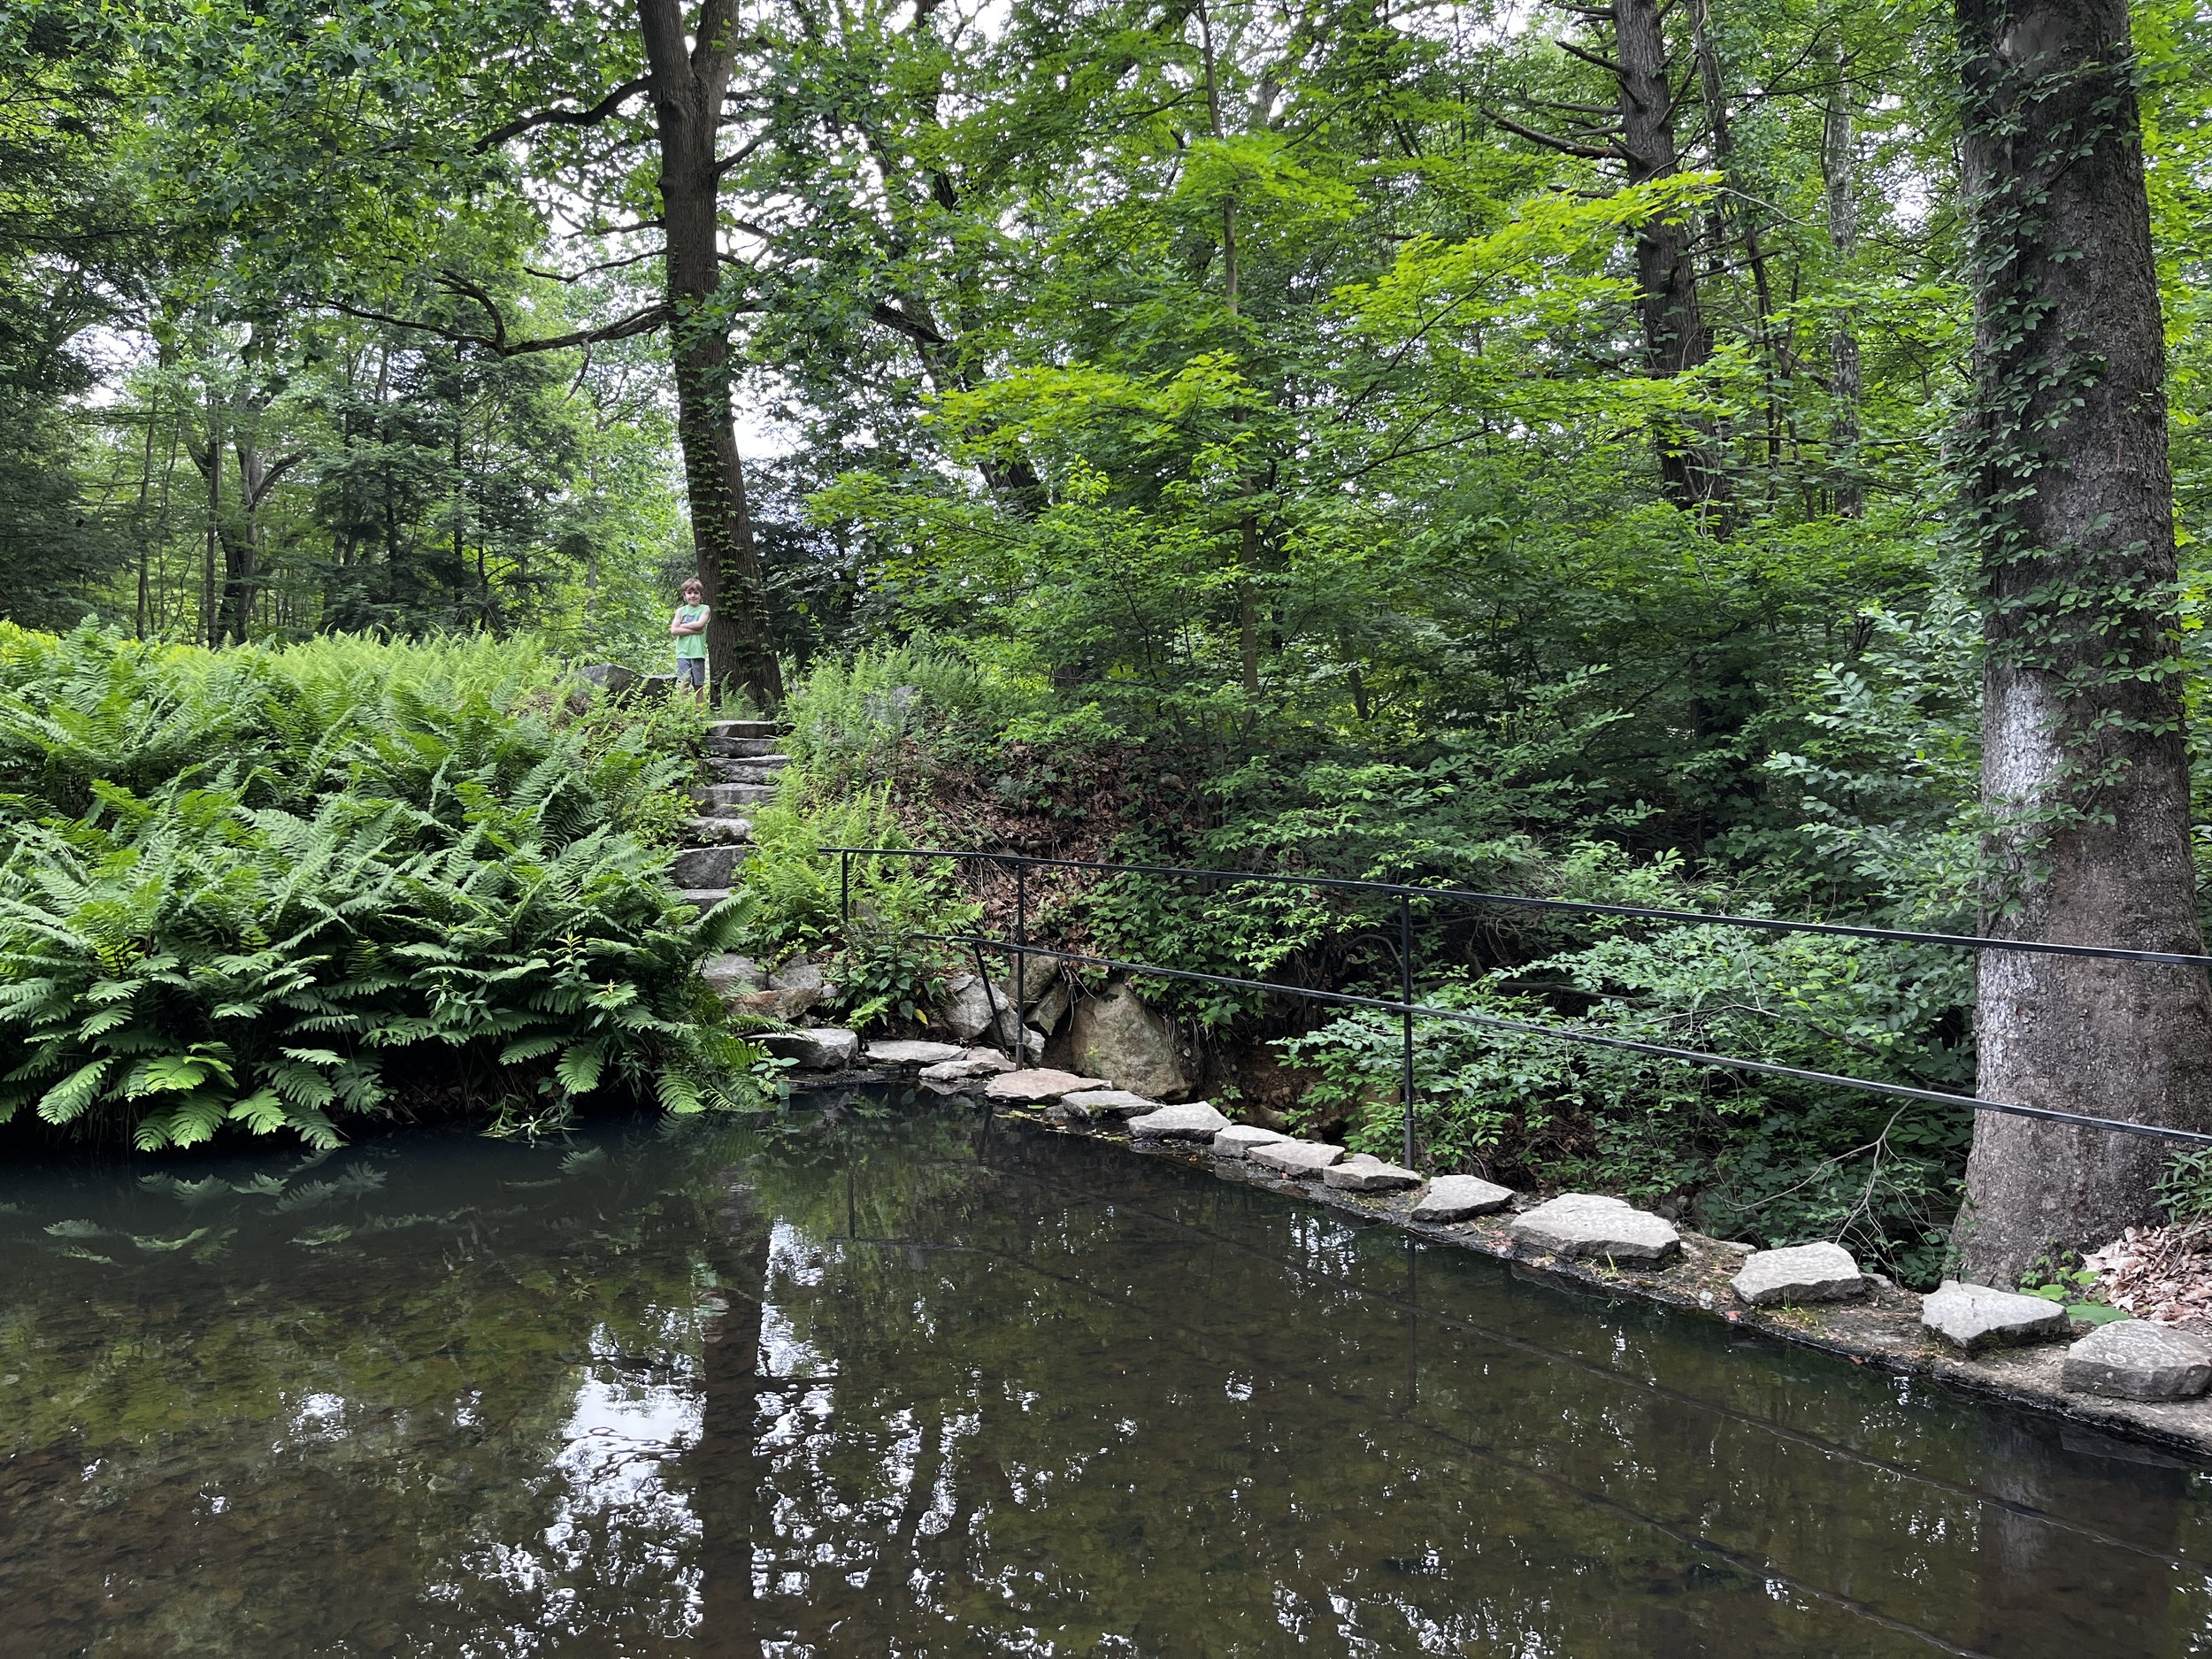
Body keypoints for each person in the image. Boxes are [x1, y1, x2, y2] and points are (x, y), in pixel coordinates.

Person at [670, 578, 710, 703]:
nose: (693, 596)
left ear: (701, 595)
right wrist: (694, 630)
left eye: (696, 593)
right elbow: (674, 631)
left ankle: (699, 713)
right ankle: (683, 712)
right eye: (689, 593)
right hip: (683, 653)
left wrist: (682, 626)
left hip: (698, 652)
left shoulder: (705, 609)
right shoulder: (681, 611)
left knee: (698, 684)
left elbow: (700, 624)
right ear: (684, 595)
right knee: (684, 682)